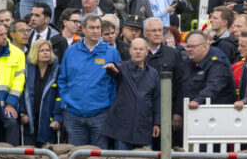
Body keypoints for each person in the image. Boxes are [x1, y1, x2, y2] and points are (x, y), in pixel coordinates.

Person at [58, 15, 120, 147]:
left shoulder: (111, 53)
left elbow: (116, 83)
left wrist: (111, 106)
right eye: (92, 28)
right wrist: (65, 102)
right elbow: (62, 79)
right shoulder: (71, 51)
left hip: (100, 114)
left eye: (98, 27)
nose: (96, 31)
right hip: (73, 114)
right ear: (83, 29)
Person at [101, 38, 161, 150]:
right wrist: (111, 66)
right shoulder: (122, 67)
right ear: (130, 51)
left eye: (141, 49)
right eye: (135, 49)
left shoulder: (153, 73)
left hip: (144, 127)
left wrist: (157, 123)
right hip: (122, 128)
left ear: (146, 52)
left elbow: (157, 99)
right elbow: (115, 70)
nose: (138, 51)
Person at [143, 17, 188, 147]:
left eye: (160, 30)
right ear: (145, 33)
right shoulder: (138, 51)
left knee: (167, 148)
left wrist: (178, 112)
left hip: (168, 109)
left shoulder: (173, 54)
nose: (158, 33)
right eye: (153, 30)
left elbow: (181, 83)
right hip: (144, 111)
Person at [20, 39, 63, 146]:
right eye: (42, 50)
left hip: (49, 121)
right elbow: (22, 92)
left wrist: (57, 118)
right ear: (35, 52)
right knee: (29, 156)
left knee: (47, 155)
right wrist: (22, 112)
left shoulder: (57, 70)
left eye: (48, 50)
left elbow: (59, 95)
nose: (45, 52)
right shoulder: (27, 69)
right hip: (30, 119)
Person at [185, 31, 236, 108]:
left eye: (193, 46)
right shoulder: (190, 60)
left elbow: (214, 86)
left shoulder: (218, 62)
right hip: (195, 109)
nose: (189, 49)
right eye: (188, 47)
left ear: (205, 47)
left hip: (216, 110)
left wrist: (198, 100)